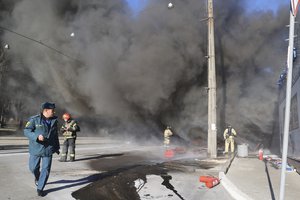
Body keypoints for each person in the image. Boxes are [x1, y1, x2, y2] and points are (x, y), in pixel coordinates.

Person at [24, 102, 60, 197]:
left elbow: (55, 136)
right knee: (33, 168)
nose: (54, 112)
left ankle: (40, 188)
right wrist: (36, 136)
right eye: (52, 110)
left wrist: (56, 147)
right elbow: (26, 131)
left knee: (46, 169)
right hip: (36, 148)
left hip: (48, 149)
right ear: (46, 110)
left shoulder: (55, 121)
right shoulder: (34, 120)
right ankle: (37, 176)